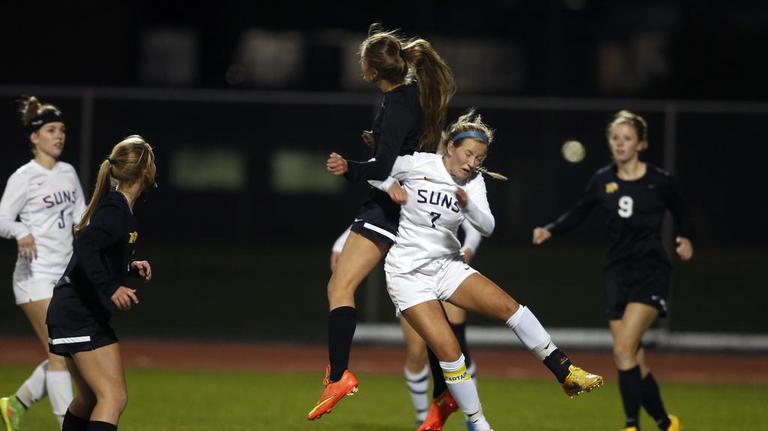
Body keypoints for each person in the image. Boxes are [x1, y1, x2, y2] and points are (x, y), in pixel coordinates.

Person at [375, 110, 603, 431]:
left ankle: (564, 370)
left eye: (479, 157)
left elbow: (487, 227)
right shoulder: (418, 163)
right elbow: (374, 170)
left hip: (447, 266)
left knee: (510, 308)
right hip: (408, 276)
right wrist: (388, 185)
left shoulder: (474, 181)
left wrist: (468, 204)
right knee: (450, 352)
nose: (471, 162)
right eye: (468, 153)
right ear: (449, 147)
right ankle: (478, 424)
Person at [308, 23, 456, 421]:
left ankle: (338, 375)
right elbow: (397, 152)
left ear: (371, 69)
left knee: (340, 284)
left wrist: (349, 167)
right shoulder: (407, 96)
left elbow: (384, 168)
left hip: (388, 209)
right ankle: (445, 389)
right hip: (406, 207)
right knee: (416, 304)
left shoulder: (397, 103)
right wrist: (380, 144)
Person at [532, 110, 692, 431]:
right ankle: (665, 423)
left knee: (622, 349)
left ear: (641, 143)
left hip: (650, 272)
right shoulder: (603, 179)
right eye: (615, 138)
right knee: (631, 359)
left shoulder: (659, 181)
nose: (620, 144)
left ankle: (631, 425)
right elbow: (580, 211)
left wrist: (683, 236)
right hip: (617, 274)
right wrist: (551, 229)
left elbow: (680, 209)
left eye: (627, 138)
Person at [45, 135, 156, 431]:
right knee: (113, 397)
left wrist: (128, 268)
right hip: (79, 313)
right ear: (146, 171)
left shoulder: (118, 208)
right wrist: (111, 288)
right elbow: (85, 246)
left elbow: (99, 253)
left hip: (74, 311)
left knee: (90, 398)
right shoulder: (114, 210)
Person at [329, 219, 480, 429]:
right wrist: (340, 244)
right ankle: (423, 418)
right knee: (416, 352)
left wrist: (469, 248)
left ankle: (473, 420)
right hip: (411, 275)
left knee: (457, 347)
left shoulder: (453, 186)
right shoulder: (403, 188)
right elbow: (377, 214)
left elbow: (474, 218)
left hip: (447, 266)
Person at [1, 96, 85, 431]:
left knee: (64, 354)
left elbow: (80, 218)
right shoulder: (25, 177)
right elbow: (2, 217)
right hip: (33, 277)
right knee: (58, 354)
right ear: (34, 137)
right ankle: (67, 425)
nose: (59, 136)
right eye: (51, 130)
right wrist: (21, 231)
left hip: (63, 276)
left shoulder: (68, 172)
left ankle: (14, 405)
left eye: (62, 130)